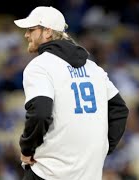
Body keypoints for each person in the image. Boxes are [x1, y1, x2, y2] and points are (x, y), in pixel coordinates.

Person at [13, 6, 129, 180]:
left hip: (48, 172)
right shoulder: (93, 68)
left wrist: (27, 149)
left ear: (47, 32)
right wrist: (103, 148)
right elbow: (120, 110)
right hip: (87, 173)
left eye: (31, 29)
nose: (26, 35)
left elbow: (40, 113)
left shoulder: (39, 66)